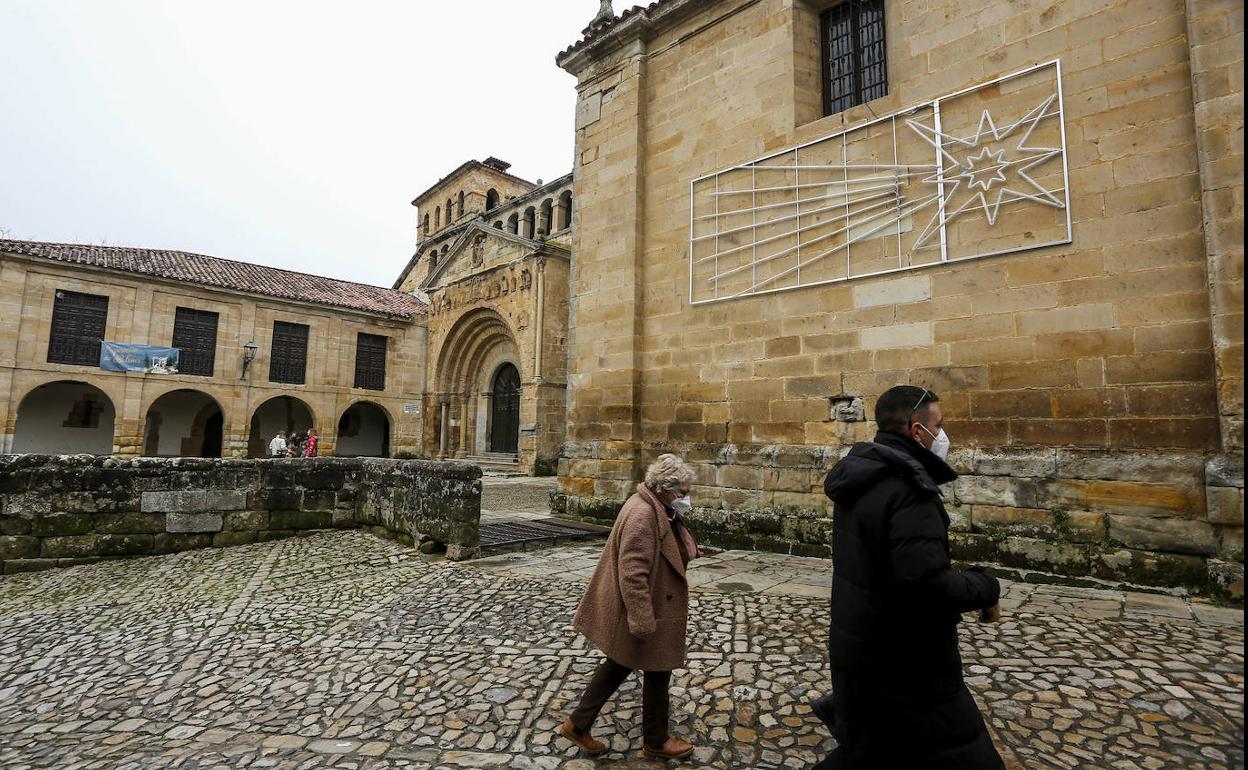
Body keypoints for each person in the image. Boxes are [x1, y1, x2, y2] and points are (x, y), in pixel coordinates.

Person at [813, 385, 1004, 770]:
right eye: (939, 425)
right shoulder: (909, 490)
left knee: (872, 750)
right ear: (917, 432)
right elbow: (926, 584)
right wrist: (985, 586)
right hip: (907, 659)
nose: (945, 435)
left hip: (860, 645)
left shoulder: (861, 476)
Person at [559, 453, 702, 760]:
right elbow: (632, 571)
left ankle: (580, 724)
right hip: (644, 609)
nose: (686, 498)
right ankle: (655, 740)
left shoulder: (654, 507)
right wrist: (641, 619)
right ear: (666, 488)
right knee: (654, 668)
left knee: (623, 665)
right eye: (683, 493)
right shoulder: (643, 515)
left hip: (651, 606)